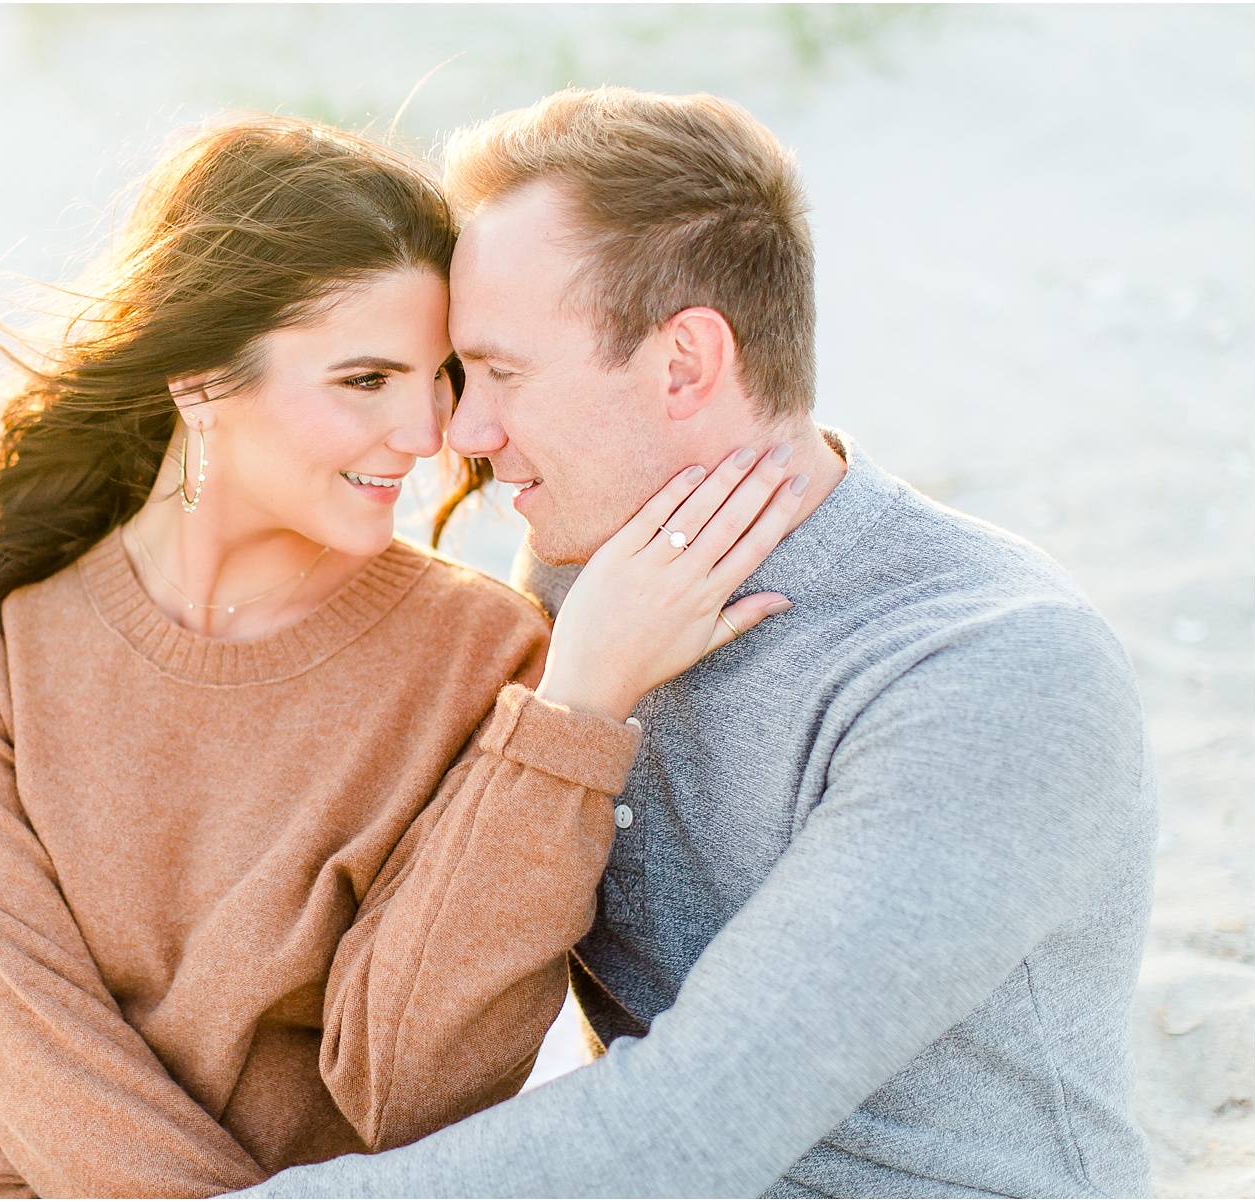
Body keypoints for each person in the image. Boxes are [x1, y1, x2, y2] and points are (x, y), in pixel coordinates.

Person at [0, 115, 806, 1198]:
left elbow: (412, 1094)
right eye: (364, 381)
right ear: (202, 376)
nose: (428, 432)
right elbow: (41, 1069)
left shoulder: (490, 657)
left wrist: (572, 716)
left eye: (440, 375)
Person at [241, 89, 1158, 1199]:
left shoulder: (991, 668)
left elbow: (692, 1127)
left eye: (504, 372)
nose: (463, 435)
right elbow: (417, 1067)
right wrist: (569, 711)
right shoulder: (589, 588)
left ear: (684, 362)